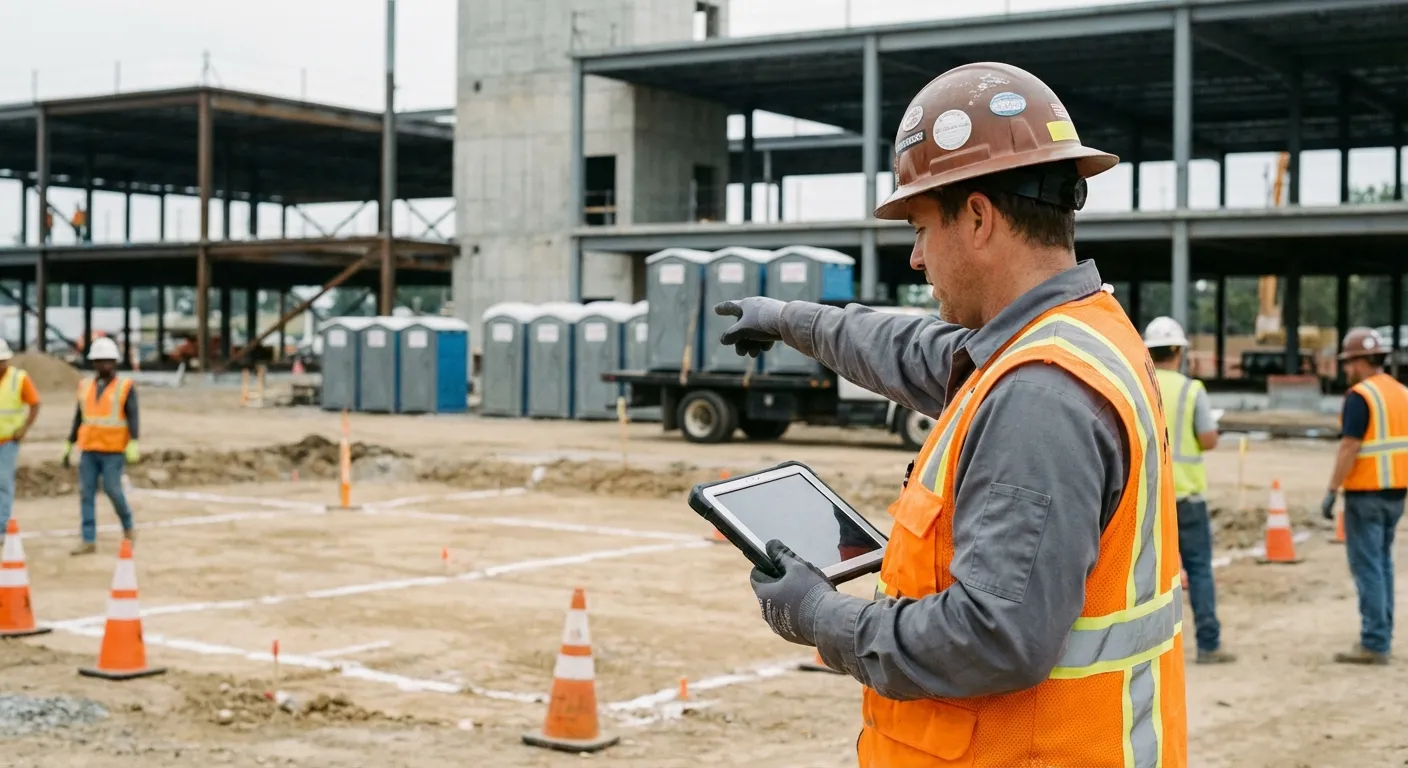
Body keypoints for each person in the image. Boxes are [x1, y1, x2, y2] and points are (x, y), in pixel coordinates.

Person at [716, 62, 1186, 767]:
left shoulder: (1039, 394)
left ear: (978, 217)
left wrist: (821, 617)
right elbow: (907, 348)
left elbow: (993, 637)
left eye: (920, 227)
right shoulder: (1074, 335)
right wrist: (789, 319)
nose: (915, 257)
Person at [1143, 316, 1234, 664]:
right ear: (1179, 352)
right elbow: (1208, 439)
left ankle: (1149, 649)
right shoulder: (1192, 390)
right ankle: (1209, 644)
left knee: (1147, 575)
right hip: (1189, 498)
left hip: (1150, 498)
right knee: (1199, 570)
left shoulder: (1139, 384)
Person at [1321, 326, 1408, 665]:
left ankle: (1374, 641)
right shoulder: (1401, 392)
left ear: (1360, 361)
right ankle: (1382, 633)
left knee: (1369, 566)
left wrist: (1332, 490)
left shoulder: (1361, 396)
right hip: (1396, 493)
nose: (1346, 369)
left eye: (1348, 362)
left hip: (1366, 494)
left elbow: (1349, 446)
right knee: (1383, 563)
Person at [61, 336, 140, 555]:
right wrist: (69, 443)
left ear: (114, 362)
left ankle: (128, 527)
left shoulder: (125, 387)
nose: (103, 365)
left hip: (113, 450)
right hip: (89, 449)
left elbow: (133, 415)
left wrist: (134, 441)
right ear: (93, 363)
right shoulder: (85, 386)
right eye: (99, 361)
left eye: (107, 361)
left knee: (113, 490)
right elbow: (79, 416)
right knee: (86, 493)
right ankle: (88, 539)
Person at [0, 339, 41, 544]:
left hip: (7, 441)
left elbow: (35, 403)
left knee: (3, 483)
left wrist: (24, 428)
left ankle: (1, 528)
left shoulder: (19, 378)